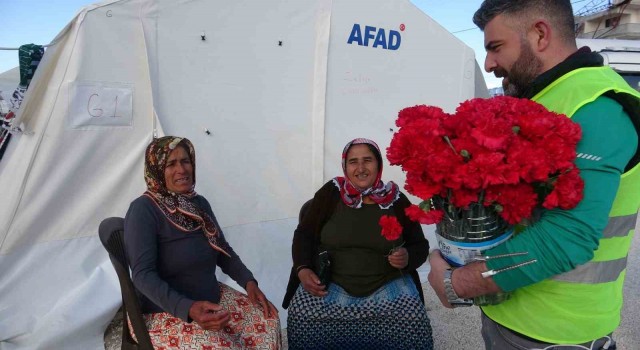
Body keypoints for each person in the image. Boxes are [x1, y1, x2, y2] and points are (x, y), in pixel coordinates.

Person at [427, 1, 640, 349]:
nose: (489, 63)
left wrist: (457, 283)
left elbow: (568, 238)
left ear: (540, 34)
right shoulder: (540, 98)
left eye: (496, 47)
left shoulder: (597, 105)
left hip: (558, 335)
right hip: (510, 316)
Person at [124, 136, 281, 349]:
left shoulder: (199, 204)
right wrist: (189, 308)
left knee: (268, 320)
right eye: (171, 164)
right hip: (164, 311)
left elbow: (222, 249)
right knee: (222, 346)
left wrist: (249, 282)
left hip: (210, 297)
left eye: (185, 161)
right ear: (156, 169)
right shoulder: (143, 209)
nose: (181, 169)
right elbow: (142, 276)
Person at [282, 138, 434, 350]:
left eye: (367, 160)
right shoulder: (331, 194)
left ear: (378, 165)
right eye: (353, 162)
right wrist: (303, 269)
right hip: (331, 285)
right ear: (344, 166)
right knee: (302, 314)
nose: (361, 168)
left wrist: (407, 256)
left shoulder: (396, 200)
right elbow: (304, 234)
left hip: (386, 284)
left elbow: (420, 245)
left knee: (412, 319)